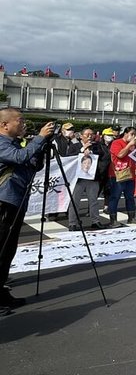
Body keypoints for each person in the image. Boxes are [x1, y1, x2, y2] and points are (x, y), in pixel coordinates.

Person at [0, 108, 55, 312]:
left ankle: (1, 291)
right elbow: (20, 158)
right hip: (4, 201)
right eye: (19, 120)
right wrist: (40, 138)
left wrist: (41, 148)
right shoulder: (1, 142)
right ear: (5, 125)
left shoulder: (15, 143)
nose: (23, 124)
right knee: (1, 248)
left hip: (16, 200)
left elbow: (31, 164)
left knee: (8, 249)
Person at [66, 127, 108, 231]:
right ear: (81, 136)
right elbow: (68, 158)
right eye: (87, 135)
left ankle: (95, 221)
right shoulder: (74, 146)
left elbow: (104, 158)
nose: (90, 136)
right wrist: (82, 150)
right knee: (75, 201)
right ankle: (72, 222)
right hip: (78, 179)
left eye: (92, 134)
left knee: (93, 200)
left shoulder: (97, 147)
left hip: (92, 178)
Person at [108, 127, 136, 227]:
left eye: (135, 134)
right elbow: (120, 155)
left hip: (130, 174)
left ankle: (131, 217)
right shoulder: (116, 143)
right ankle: (113, 220)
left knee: (130, 197)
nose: (133, 136)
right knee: (115, 197)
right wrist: (129, 145)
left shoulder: (134, 145)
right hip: (117, 174)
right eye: (132, 134)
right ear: (125, 133)